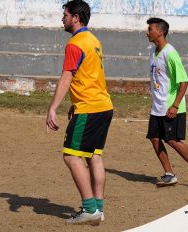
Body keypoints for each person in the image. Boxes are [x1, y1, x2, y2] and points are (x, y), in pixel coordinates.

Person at [46, 0, 113, 225]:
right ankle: (99, 209)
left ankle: (89, 207)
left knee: (71, 155)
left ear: (76, 17)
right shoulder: (93, 40)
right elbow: (90, 75)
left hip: (90, 108)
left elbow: (68, 75)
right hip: (103, 106)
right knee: (94, 156)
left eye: (65, 14)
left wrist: (52, 108)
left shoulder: (75, 43)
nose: (62, 18)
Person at [145, 17, 188, 188]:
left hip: (171, 107)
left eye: (150, 29)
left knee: (172, 140)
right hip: (157, 106)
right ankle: (169, 174)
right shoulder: (153, 51)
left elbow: (184, 81)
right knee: (155, 138)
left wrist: (175, 105)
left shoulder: (170, 53)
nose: (147, 32)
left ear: (161, 32)